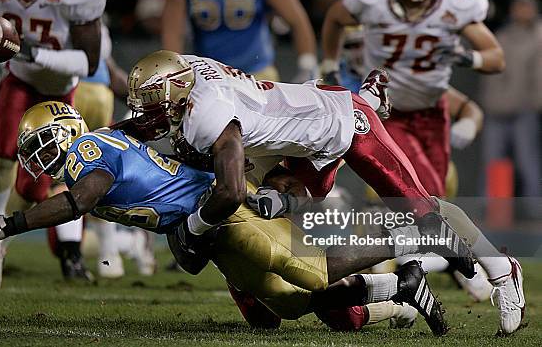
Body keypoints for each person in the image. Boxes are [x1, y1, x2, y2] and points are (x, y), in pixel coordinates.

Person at [0, 101, 447, 336]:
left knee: (308, 268)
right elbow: (132, 139)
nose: (37, 157)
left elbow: (82, 200)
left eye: (40, 144)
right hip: (199, 229)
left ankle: (412, 238)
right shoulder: (99, 141)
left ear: (63, 133)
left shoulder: (87, 151)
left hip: (218, 208)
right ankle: (398, 289)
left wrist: (11, 226)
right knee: (287, 304)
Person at [125, 50, 524, 335]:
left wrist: (193, 229)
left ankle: (503, 270)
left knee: (422, 211)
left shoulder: (208, 119)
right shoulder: (193, 83)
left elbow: (230, 191)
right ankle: (400, 294)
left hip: (340, 123)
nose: (147, 115)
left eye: (153, 104)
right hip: (294, 141)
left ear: (179, 93)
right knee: (330, 313)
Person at [0, 0, 107, 290]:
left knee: (44, 181)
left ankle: (37, 246)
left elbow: (88, 63)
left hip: (59, 91)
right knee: (5, 151)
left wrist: (35, 53)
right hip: (18, 79)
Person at [320, 0, 504, 198]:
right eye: (352, 46)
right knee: (418, 193)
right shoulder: (370, 2)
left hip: (430, 112)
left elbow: (496, 59)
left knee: (435, 192)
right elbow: (335, 18)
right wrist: (329, 65)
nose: (357, 53)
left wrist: (468, 58)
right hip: (389, 110)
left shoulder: (457, 3)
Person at [162, 0, 318, 82]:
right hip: (210, 75)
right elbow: (173, 31)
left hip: (256, 72)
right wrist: (174, 72)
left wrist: (307, 64)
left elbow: (296, 20)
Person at [479, 0, 541, 204]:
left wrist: (536, 104)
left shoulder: (539, 35)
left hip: (524, 109)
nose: (522, 10)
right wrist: (488, 102)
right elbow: (491, 74)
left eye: (527, 6)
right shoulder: (503, 35)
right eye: (519, 6)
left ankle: (534, 209)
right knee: (492, 163)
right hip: (497, 109)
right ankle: (487, 210)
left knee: (528, 162)